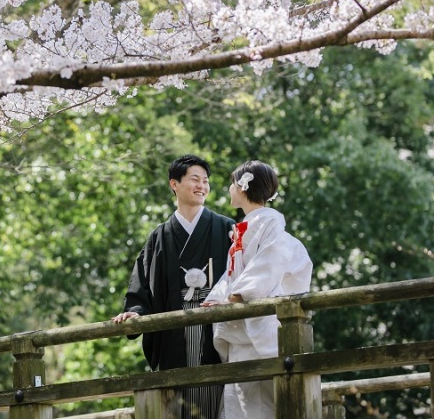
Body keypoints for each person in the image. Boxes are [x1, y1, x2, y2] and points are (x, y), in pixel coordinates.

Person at [112, 154, 234, 419]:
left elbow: (241, 275)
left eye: (205, 180)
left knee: (215, 398)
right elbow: (142, 284)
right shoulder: (159, 236)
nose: (202, 185)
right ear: (174, 184)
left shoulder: (226, 228)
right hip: (174, 332)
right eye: (194, 179)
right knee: (176, 404)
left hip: (214, 326)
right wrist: (136, 311)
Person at [200, 160, 312, 419]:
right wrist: (217, 298)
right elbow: (232, 276)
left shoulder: (275, 233)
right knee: (238, 403)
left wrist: (237, 296)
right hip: (243, 332)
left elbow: (267, 266)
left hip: (260, 329)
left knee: (263, 405)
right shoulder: (246, 230)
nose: (229, 189)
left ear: (243, 186)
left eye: (231, 183)